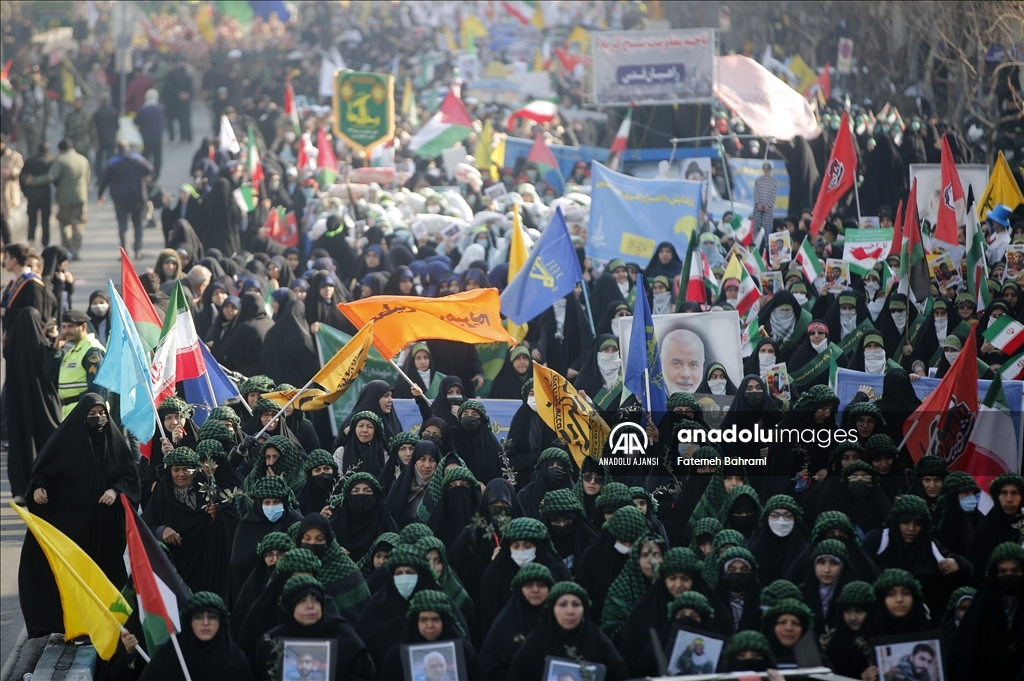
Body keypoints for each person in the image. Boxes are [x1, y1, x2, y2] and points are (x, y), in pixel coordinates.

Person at [19, 394, 140, 636]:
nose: (98, 419)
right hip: (72, 527)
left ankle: (112, 623)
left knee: (106, 577)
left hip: (104, 527)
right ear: (82, 417)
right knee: (74, 579)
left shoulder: (114, 442)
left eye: (102, 414)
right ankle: (71, 624)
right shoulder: (65, 441)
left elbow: (130, 476)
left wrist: (115, 491)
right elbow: (42, 471)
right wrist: (38, 489)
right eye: (92, 415)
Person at [251, 575, 377, 681]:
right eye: (301, 600)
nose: (310, 606)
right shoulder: (271, 642)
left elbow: (366, 674)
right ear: (290, 606)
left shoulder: (343, 636)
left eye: (316, 599)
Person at [507, 582, 629, 681]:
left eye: (576, 605)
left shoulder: (599, 643)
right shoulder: (535, 643)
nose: (570, 611)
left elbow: (620, 675)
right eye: (562, 605)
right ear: (552, 609)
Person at [5, 308, 62, 505]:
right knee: (46, 441)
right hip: (41, 403)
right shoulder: (40, 343)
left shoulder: (10, 344)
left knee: (20, 442)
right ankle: (44, 486)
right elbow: (50, 370)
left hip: (18, 402)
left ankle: (20, 489)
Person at [136, 591, 253, 680]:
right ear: (189, 621)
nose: (205, 622)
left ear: (221, 622)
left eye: (212, 617)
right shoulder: (171, 656)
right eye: (198, 617)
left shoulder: (235, 662)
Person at [25, 139, 90, 259]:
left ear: (60, 149)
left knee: (65, 223)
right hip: (80, 197)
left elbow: (51, 176)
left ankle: (66, 249)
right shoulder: (83, 159)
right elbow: (87, 178)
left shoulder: (60, 160)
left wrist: (33, 181)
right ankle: (75, 250)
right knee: (79, 224)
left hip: (64, 198)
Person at [43, 308, 105, 418]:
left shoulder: (92, 350)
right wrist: (56, 347)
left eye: (71, 326)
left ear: (84, 327)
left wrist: (90, 412)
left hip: (86, 412)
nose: (66, 331)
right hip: (70, 411)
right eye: (64, 326)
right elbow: (50, 375)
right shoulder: (72, 351)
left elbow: (97, 388)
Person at [97, 140, 154, 258]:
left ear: (117, 149)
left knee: (122, 226)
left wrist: (100, 195)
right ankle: (137, 250)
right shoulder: (138, 159)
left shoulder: (113, 162)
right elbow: (150, 169)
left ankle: (124, 252)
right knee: (138, 224)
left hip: (120, 199)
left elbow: (104, 180)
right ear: (128, 149)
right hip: (137, 197)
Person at [20, 142, 52, 247]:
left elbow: (21, 178)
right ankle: (45, 243)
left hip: (32, 195)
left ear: (37, 150)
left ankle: (31, 241)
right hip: (45, 195)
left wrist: (25, 192)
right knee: (45, 221)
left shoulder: (29, 161)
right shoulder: (49, 162)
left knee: (32, 220)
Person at [661, 328, 705, 394]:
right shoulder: (648, 401)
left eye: (693, 365)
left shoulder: (712, 402)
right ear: (661, 363)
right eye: (677, 364)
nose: (685, 374)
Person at [135, 89, 165, 180]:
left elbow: (136, 121)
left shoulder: (143, 109)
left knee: (146, 156)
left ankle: (146, 174)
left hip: (146, 137)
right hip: (158, 136)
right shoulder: (161, 108)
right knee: (157, 157)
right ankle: (156, 175)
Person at [1, 134, 23, 246]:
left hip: (9, 194)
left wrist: (11, 173)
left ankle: (8, 246)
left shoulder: (14, 156)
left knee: (7, 221)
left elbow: (21, 169)